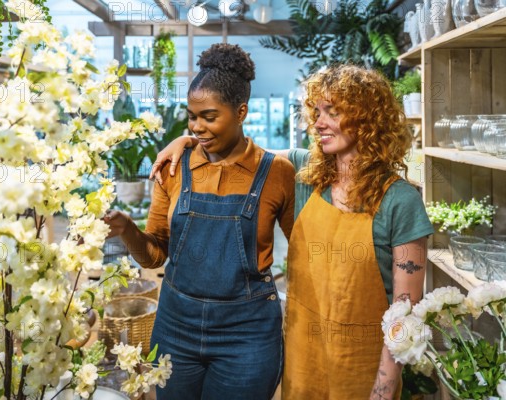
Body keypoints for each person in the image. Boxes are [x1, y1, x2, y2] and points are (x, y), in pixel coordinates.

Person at [150, 64, 434, 399]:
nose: (319, 123)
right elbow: (237, 150)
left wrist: (383, 390)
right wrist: (186, 140)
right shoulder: (304, 173)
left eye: (333, 111)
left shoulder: (401, 201)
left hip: (363, 365)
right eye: (316, 111)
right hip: (303, 357)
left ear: (369, 118)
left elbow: (405, 310)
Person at [105, 43, 295, 400]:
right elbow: (155, 256)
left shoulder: (276, 173)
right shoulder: (174, 168)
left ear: (241, 112)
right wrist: (128, 231)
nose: (197, 126)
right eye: (192, 116)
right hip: (177, 324)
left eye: (209, 116)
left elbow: (301, 246)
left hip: (248, 331)